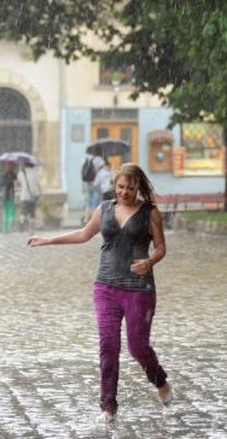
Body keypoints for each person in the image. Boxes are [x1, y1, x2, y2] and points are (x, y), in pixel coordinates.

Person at [27, 163, 171, 422]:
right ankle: (108, 406)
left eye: (130, 187)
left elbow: (161, 247)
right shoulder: (104, 209)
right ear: (114, 186)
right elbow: (83, 234)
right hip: (105, 287)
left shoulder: (150, 213)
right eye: (120, 187)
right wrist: (48, 240)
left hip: (139, 290)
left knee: (138, 348)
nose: (125, 192)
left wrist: (149, 261)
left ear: (138, 187)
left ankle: (159, 379)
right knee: (108, 346)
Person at [82, 146, 105, 224]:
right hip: (96, 184)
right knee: (96, 202)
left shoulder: (91, 160)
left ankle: (87, 218)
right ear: (100, 152)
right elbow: (102, 172)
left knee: (89, 202)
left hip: (88, 183)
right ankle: (94, 220)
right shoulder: (100, 160)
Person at [17, 163, 42, 234]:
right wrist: (40, 193)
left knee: (23, 212)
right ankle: (31, 230)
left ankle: (21, 224)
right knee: (32, 214)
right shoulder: (35, 173)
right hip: (32, 196)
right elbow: (38, 185)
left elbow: (18, 183)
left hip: (24, 196)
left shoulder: (22, 173)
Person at [0, 162, 17, 233]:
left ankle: (4, 229)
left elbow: (0, 186)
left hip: (4, 196)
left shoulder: (4, 174)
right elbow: (15, 186)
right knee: (11, 212)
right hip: (10, 195)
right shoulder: (14, 175)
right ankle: (11, 226)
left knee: (5, 213)